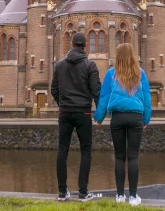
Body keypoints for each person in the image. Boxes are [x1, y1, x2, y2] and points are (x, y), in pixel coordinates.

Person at [94, 43, 151, 206]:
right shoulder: (141, 74)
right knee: (133, 156)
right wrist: (146, 119)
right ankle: (133, 197)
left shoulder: (111, 74)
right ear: (132, 55)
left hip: (117, 118)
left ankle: (120, 196)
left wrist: (98, 117)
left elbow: (104, 98)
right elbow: (147, 98)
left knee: (119, 157)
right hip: (136, 118)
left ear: (117, 56)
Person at [51, 32, 101, 202]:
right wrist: (98, 112)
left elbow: (54, 90)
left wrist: (63, 104)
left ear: (71, 44)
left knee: (62, 150)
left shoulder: (59, 65)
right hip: (83, 112)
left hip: (64, 112)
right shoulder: (90, 65)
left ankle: (62, 192)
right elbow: (96, 92)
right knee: (86, 151)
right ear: (85, 45)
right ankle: (83, 192)